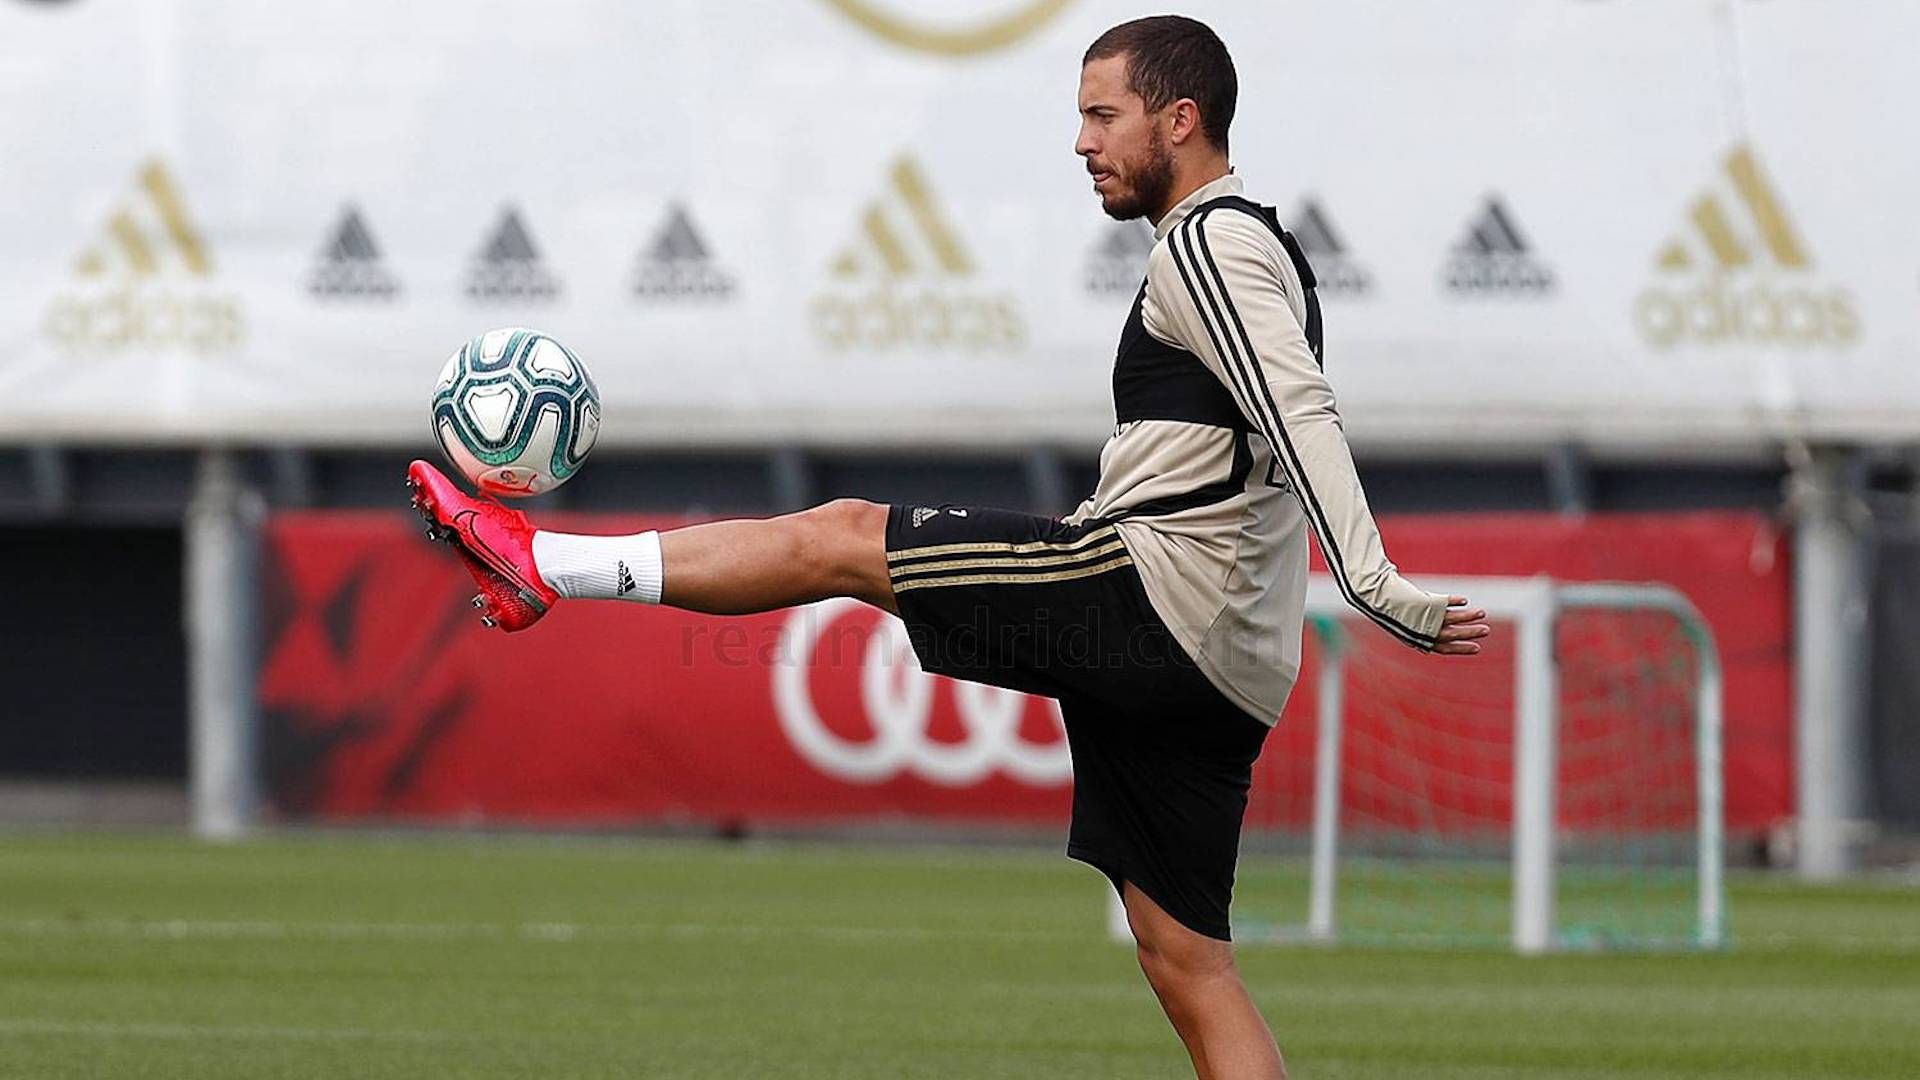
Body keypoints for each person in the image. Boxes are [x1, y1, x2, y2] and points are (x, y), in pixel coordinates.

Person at [406, 14, 1490, 1079]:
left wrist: (1371, 576)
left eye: (1103, 116)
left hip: (1156, 599)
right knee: (1189, 966)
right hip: (1232, 664)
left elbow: (1297, 402)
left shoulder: (1212, 238)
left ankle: (542, 565)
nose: (1081, 142)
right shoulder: (1236, 245)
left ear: (1182, 120)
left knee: (840, 538)